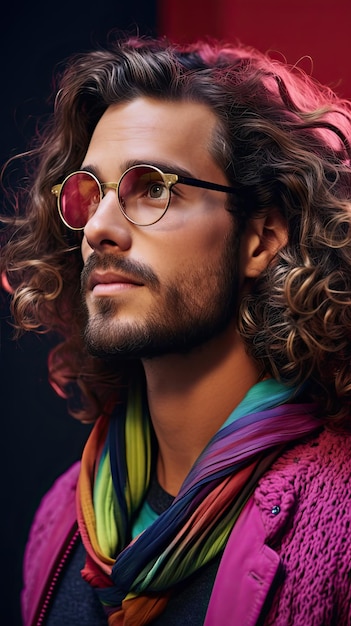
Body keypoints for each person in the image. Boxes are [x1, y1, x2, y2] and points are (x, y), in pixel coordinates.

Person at [2, 34, 351, 626]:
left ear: (261, 238)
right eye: (90, 195)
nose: (99, 229)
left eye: (155, 188)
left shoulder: (339, 524)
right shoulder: (59, 520)